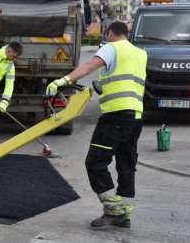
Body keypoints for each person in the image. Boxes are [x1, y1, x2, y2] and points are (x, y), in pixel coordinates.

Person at [46, 22, 147, 228]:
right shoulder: (140, 53)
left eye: (107, 34)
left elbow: (90, 65)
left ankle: (113, 210)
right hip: (135, 115)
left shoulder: (111, 47)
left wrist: (62, 81)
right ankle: (124, 213)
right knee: (126, 163)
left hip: (116, 114)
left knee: (95, 162)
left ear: (110, 33)